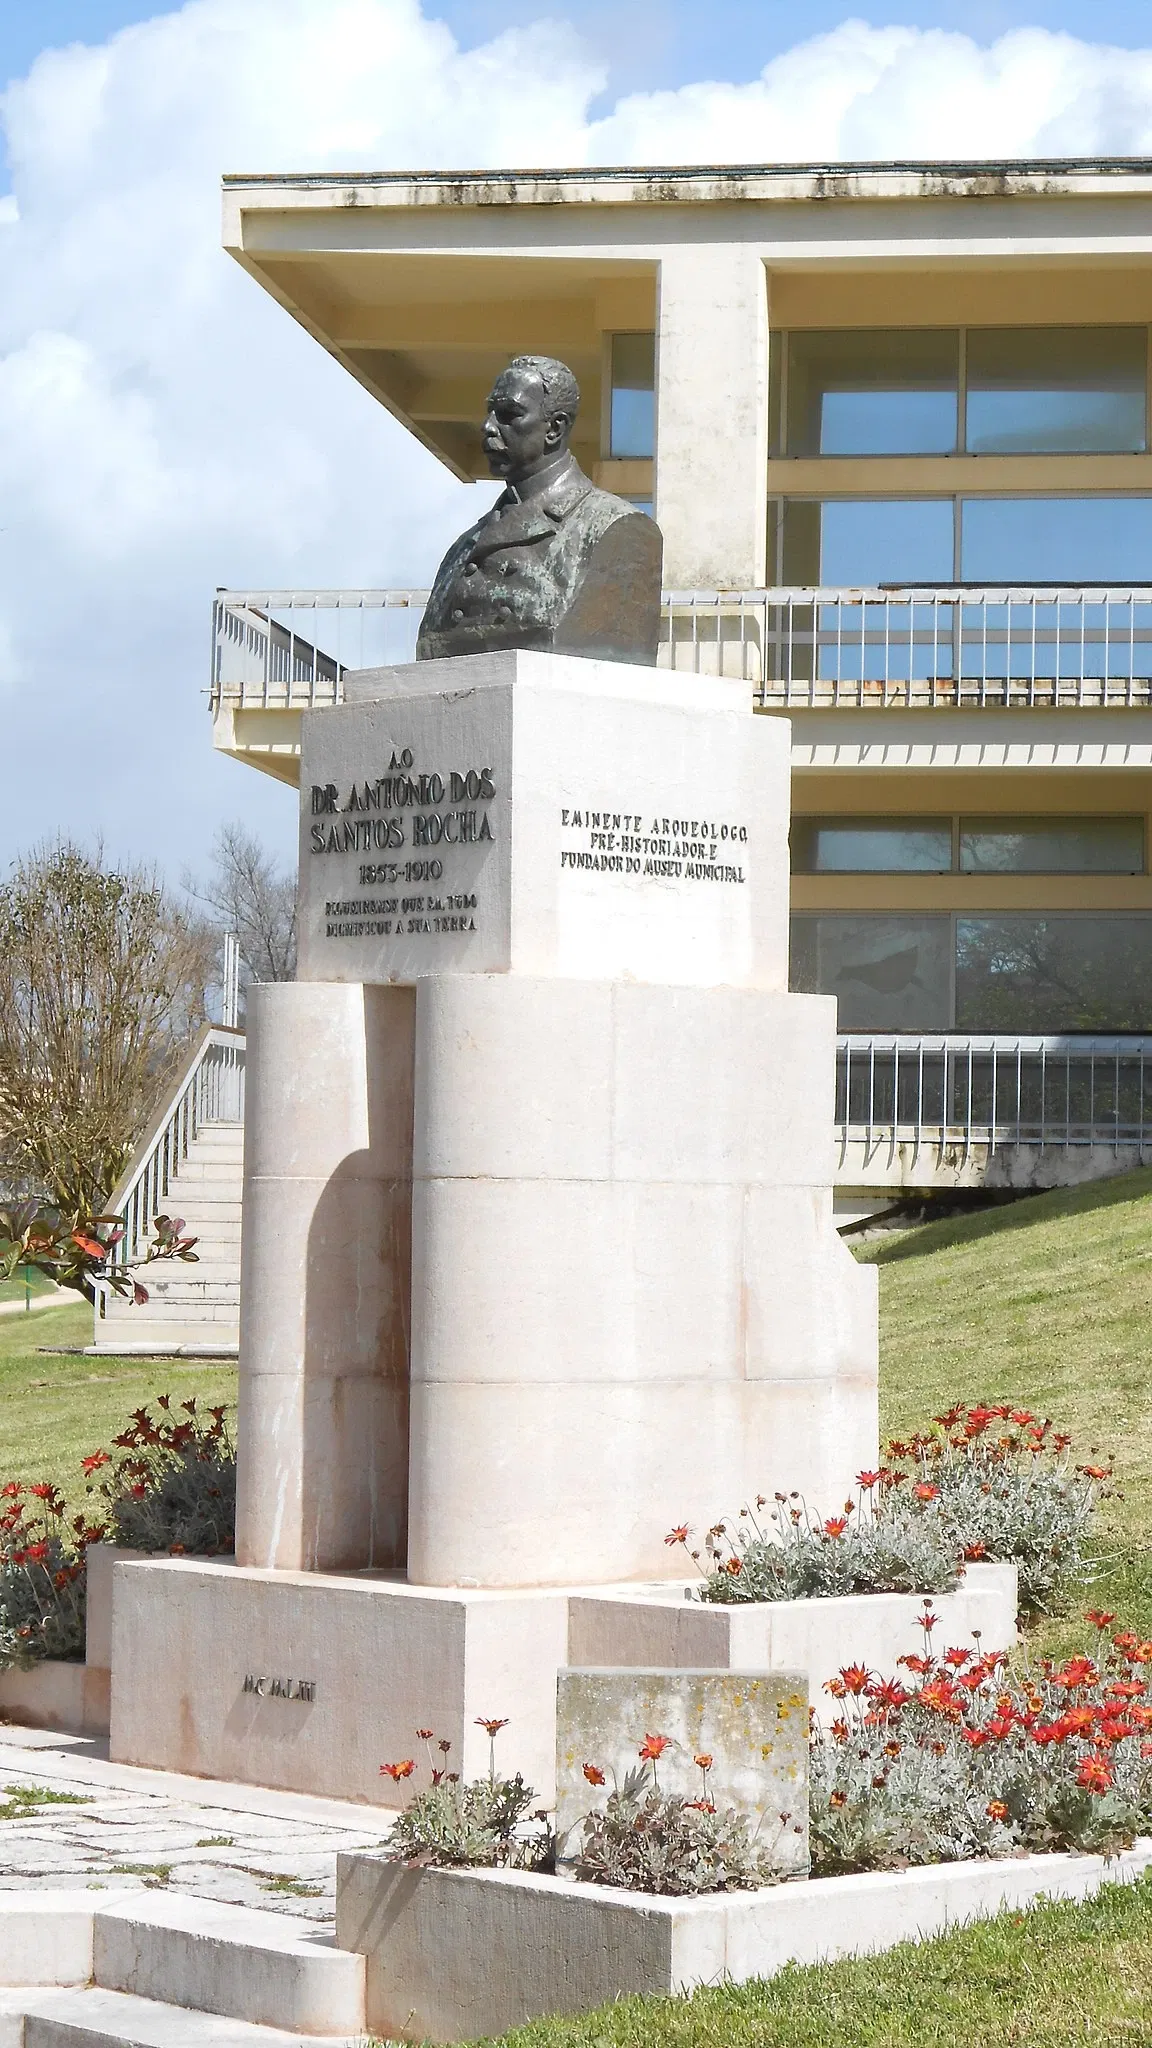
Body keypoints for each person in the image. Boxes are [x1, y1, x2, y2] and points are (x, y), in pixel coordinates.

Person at [416, 353, 662, 665]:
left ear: (554, 429)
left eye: (508, 414)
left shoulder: (618, 529)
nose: (488, 427)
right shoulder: (464, 546)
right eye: (490, 412)